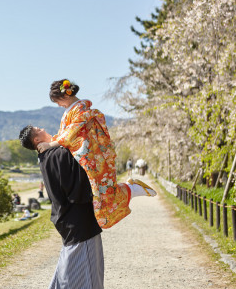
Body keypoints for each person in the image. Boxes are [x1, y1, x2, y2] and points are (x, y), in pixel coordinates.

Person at [35, 79, 156, 229]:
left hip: (91, 158)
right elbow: (65, 135)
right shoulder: (75, 109)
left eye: (58, 101)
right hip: (88, 157)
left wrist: (50, 144)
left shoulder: (80, 110)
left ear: (65, 96)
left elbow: (71, 134)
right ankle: (131, 188)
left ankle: (132, 189)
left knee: (101, 193)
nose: (58, 105)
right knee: (101, 193)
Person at [19, 125, 104, 289]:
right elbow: (76, 164)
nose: (42, 128)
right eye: (38, 129)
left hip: (66, 211)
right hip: (72, 210)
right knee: (75, 252)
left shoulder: (48, 154)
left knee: (71, 250)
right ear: (36, 140)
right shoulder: (54, 154)